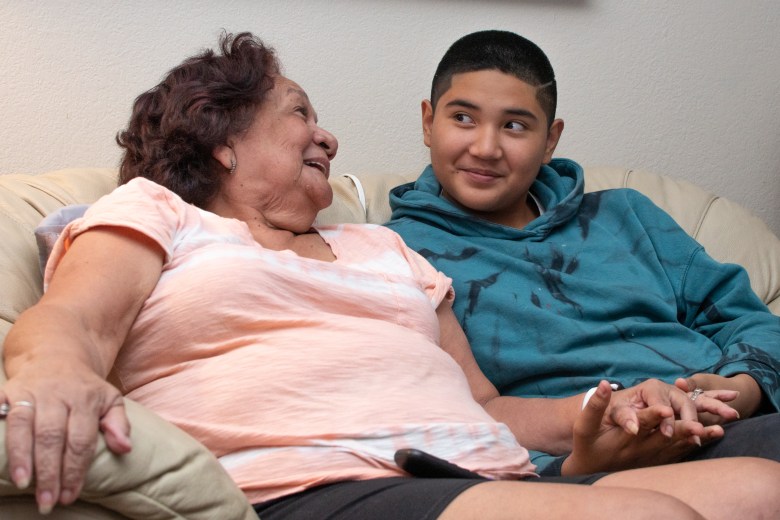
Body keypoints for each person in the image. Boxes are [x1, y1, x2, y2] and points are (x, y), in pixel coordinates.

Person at [1, 31, 778, 520]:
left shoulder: (383, 249)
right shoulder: (159, 214)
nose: (328, 137)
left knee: (759, 493)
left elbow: (487, 406)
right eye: (300, 113)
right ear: (222, 138)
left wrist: (604, 409)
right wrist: (54, 370)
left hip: (480, 474)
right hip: (315, 481)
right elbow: (74, 320)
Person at [385, 29, 780, 475]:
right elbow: (448, 415)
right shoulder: (394, 254)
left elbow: (749, 320)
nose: (486, 148)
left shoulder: (627, 215)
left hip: (723, 420)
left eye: (514, 126)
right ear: (428, 122)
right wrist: (571, 466)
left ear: (550, 140)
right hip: (581, 460)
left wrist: (743, 389)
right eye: (463, 118)